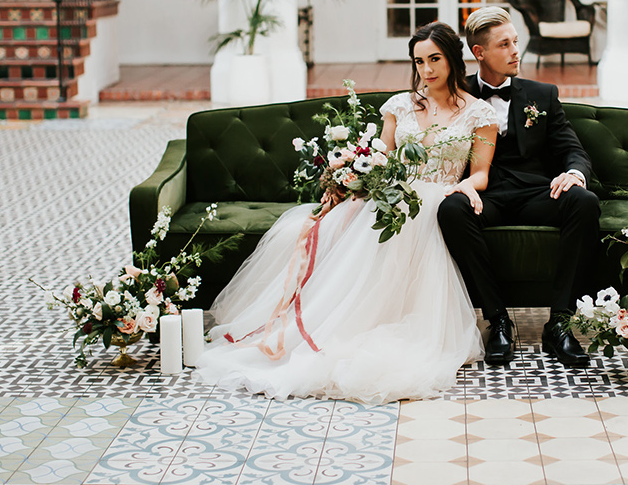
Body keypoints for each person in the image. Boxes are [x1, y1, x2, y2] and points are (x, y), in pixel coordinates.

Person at [195, 22, 499, 404]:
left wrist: (467, 187)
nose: (427, 69)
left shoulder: (480, 114)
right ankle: (322, 325)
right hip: (392, 194)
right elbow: (382, 155)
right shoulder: (400, 105)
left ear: (454, 59)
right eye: (419, 61)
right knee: (321, 227)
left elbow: (481, 173)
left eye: (435, 59)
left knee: (407, 230)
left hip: (439, 198)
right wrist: (354, 177)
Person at [438, 6, 600, 367]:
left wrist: (573, 173)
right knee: (450, 209)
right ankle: (497, 320)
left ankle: (559, 322)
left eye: (516, 42)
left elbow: (571, 148)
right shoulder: (456, 95)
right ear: (479, 53)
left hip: (536, 192)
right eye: (504, 44)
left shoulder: (541, 95)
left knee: (584, 202)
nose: (516, 52)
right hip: (483, 193)